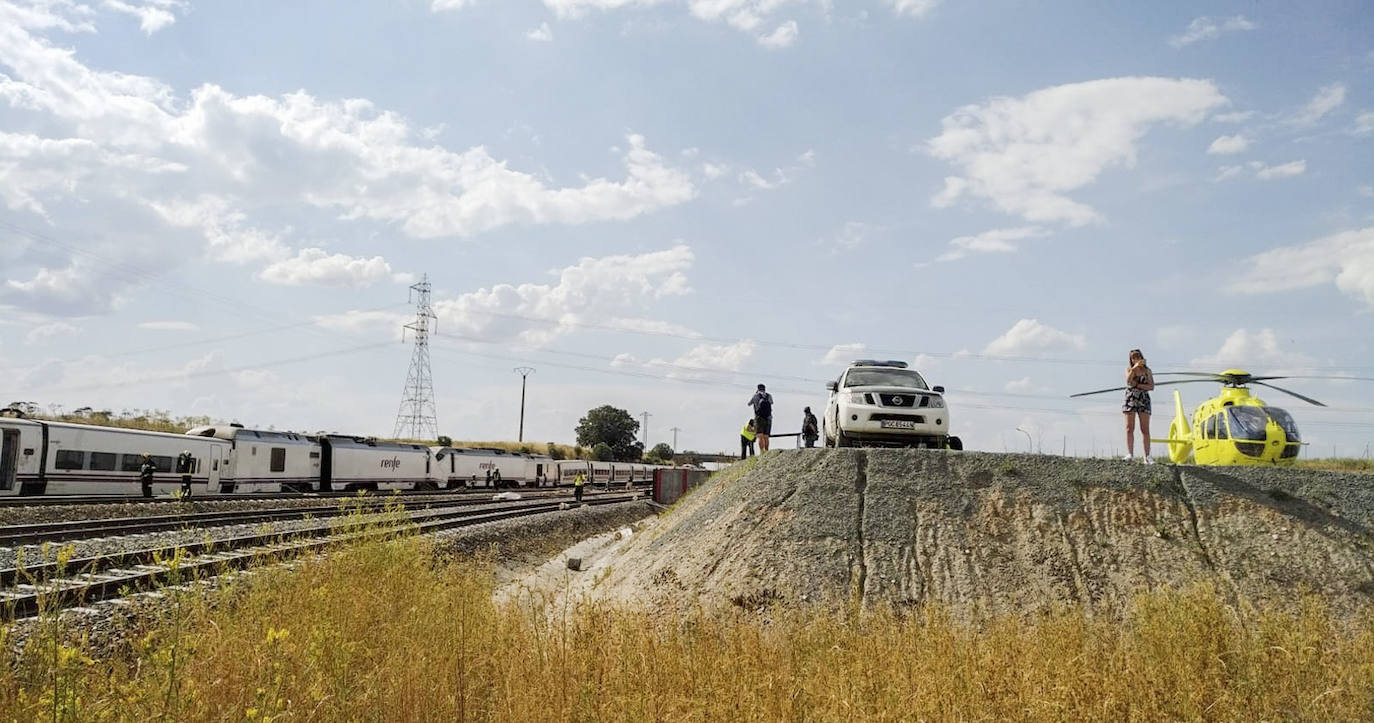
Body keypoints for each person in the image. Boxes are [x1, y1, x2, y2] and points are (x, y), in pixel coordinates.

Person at [1123, 348, 1155, 463]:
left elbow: (1151, 386)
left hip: (1143, 399)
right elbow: (1128, 380)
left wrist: (1138, 385)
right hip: (1131, 398)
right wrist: (1134, 368)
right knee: (1129, 428)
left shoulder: (1147, 371)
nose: (1135, 359)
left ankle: (1147, 456)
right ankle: (1130, 454)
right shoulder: (1128, 369)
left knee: (1145, 429)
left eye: (1137, 357)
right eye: (1133, 357)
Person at [747, 383, 773, 452]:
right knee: (766, 437)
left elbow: (749, 404)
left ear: (758, 389)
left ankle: (762, 452)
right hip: (768, 417)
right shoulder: (769, 395)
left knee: (760, 436)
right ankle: (767, 451)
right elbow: (771, 403)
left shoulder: (755, 396)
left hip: (759, 418)